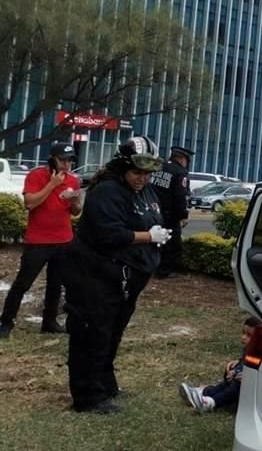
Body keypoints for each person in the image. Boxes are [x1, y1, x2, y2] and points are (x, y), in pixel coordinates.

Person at [63, 136, 172, 414]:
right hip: (96, 277)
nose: (142, 179)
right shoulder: (107, 191)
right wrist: (147, 236)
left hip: (126, 279)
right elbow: (107, 233)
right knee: (92, 335)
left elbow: (154, 218)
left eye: (147, 174)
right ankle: (87, 397)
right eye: (137, 172)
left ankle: (105, 384)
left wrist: (158, 236)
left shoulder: (145, 191)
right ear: (122, 167)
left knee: (112, 334)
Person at [0, 142, 82, 338]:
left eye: (70, 161)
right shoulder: (36, 175)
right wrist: (52, 185)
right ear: (53, 159)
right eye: (62, 160)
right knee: (23, 283)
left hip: (63, 239)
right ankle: (6, 321)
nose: (66, 165)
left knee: (56, 283)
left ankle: (49, 320)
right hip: (38, 240)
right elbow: (30, 204)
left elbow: (75, 212)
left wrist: (75, 201)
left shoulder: (72, 179)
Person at [178, 315, 262, 413]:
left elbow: (261, 372)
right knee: (226, 381)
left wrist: (250, 376)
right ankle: (202, 393)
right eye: (243, 333)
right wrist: (234, 371)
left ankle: (210, 403)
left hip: (251, 392)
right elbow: (243, 363)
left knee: (236, 387)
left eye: (249, 335)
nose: (243, 337)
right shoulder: (247, 349)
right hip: (238, 382)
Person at [150, 146, 194, 278]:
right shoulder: (180, 173)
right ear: (181, 159)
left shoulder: (158, 167)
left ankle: (153, 268)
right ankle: (164, 272)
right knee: (172, 244)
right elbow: (180, 196)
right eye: (187, 160)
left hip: (153, 210)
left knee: (154, 240)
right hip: (170, 214)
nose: (187, 163)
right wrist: (183, 215)